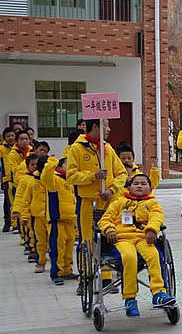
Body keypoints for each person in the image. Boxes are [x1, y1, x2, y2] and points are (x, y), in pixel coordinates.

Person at [98, 173, 176, 317]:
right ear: (129, 187)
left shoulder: (152, 204)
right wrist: (109, 229)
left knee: (154, 255)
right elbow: (105, 220)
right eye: (136, 183)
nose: (139, 185)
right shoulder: (119, 203)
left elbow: (157, 217)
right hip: (122, 239)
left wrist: (152, 229)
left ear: (150, 188)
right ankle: (130, 298)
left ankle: (159, 293)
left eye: (143, 183)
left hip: (143, 238)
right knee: (129, 257)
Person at [67, 119, 127, 293]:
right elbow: (71, 176)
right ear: (95, 127)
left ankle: (106, 278)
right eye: (105, 125)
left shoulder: (107, 149)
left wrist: (111, 189)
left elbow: (121, 173)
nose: (109, 129)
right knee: (87, 241)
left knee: (108, 237)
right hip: (88, 202)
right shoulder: (77, 149)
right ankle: (85, 279)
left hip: (109, 201)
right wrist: (92, 176)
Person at [42, 156, 78, 285]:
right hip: (58, 220)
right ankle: (56, 273)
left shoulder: (70, 181)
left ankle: (67, 270)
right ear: (59, 167)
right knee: (58, 248)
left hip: (70, 220)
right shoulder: (54, 180)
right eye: (67, 164)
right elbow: (45, 176)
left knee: (69, 248)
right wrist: (51, 163)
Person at [11, 154, 39, 261]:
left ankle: (39, 250)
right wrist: (17, 210)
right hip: (27, 210)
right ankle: (32, 250)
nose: (35, 167)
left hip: (39, 210)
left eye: (37, 164)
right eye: (33, 165)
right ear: (27, 166)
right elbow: (19, 196)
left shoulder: (41, 179)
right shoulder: (24, 180)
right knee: (30, 231)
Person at [1, 127, 16, 232]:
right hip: (7, 178)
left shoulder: (18, 148)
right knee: (7, 201)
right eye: (8, 136)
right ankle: (7, 221)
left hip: (18, 178)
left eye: (12, 135)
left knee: (17, 201)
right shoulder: (1, 149)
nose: (10, 138)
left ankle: (16, 222)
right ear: (4, 137)